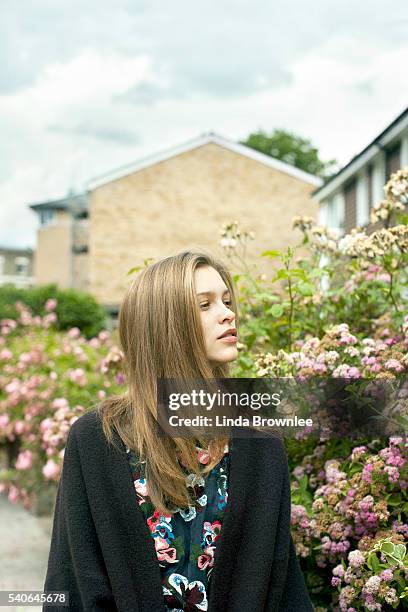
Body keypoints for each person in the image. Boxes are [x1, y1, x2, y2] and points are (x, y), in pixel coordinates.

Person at [43, 249, 313, 611]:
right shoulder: (97, 439)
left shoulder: (260, 441)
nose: (228, 314)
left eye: (227, 301)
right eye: (206, 305)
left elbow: (282, 583)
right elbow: (71, 582)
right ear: (164, 323)